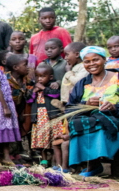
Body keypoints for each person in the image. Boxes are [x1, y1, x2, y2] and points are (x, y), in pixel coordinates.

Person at [65, 46, 119, 176]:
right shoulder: (82, 83)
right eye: (87, 61)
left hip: (114, 117)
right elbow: (70, 108)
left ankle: (106, 165)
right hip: (90, 117)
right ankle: (93, 164)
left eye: (95, 60)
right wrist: (86, 104)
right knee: (77, 123)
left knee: (102, 121)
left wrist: (114, 107)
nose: (91, 64)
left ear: (105, 60)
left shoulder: (117, 78)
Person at [29, 63, 65, 166]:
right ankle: (44, 160)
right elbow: (29, 100)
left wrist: (44, 88)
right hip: (39, 117)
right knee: (41, 139)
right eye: (37, 76)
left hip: (52, 117)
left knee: (54, 137)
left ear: (51, 77)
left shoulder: (53, 85)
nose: (39, 79)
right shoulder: (35, 87)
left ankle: (54, 159)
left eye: (42, 76)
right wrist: (34, 92)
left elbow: (56, 94)